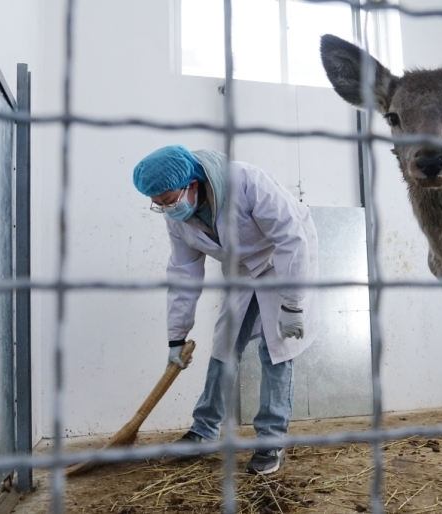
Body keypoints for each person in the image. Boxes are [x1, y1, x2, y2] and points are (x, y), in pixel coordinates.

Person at [132, 145, 319, 475]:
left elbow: (291, 240)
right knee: (224, 344)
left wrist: (293, 303)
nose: (165, 209)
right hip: (243, 268)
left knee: (277, 348)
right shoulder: (178, 218)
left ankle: (271, 440)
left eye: (168, 200)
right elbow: (183, 273)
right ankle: (203, 430)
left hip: (283, 259)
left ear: (192, 184)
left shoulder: (247, 182)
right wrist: (176, 337)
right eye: (157, 204)